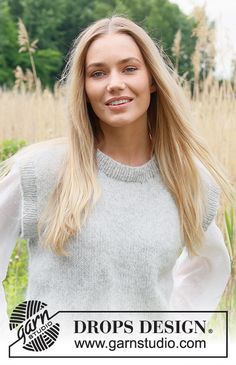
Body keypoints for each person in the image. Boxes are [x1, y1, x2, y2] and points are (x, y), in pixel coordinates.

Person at [0, 16, 233, 337]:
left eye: (129, 68)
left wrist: (178, 338)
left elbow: (211, 265)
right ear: (83, 87)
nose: (114, 83)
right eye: (97, 73)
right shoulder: (41, 169)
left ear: (152, 79)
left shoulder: (189, 180)